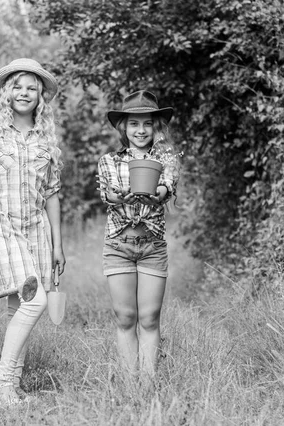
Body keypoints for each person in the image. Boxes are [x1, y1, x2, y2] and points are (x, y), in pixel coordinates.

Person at [0, 58, 66, 406]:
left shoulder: (48, 144)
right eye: (17, 86)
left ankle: (13, 387)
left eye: (31, 88)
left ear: (40, 97)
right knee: (35, 300)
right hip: (0, 223)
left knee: (18, 305)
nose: (24, 93)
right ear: (7, 93)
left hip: (35, 228)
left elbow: (51, 194)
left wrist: (58, 244)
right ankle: (0, 384)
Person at [97, 90, 180, 378]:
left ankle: (148, 385)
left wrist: (154, 191)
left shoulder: (167, 160)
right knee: (125, 317)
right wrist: (117, 196)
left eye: (147, 124)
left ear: (156, 127)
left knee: (149, 318)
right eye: (134, 123)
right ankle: (130, 385)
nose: (141, 130)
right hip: (119, 244)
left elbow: (165, 189)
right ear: (124, 128)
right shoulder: (109, 161)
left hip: (152, 246)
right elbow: (107, 194)